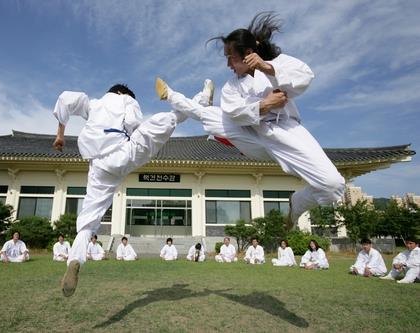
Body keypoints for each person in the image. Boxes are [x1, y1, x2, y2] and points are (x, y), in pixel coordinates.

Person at [156, 12, 345, 230]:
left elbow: (305, 76)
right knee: (207, 115)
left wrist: (267, 68)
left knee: (333, 186)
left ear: (248, 54)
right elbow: (235, 112)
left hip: (285, 131)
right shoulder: (231, 86)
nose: (228, 64)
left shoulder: (277, 63)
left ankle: (298, 202)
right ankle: (171, 95)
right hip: (250, 132)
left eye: (231, 57)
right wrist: (265, 104)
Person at [52, 84, 187, 296]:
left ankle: (75, 259)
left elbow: (65, 98)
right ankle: (194, 105)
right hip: (122, 153)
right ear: (123, 93)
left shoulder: (94, 105)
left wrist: (60, 134)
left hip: (97, 164)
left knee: (88, 220)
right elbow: (134, 123)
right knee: (162, 122)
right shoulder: (127, 100)